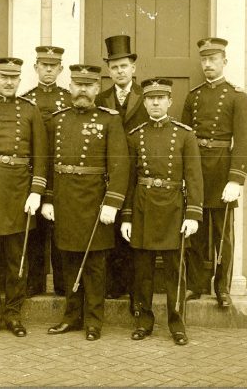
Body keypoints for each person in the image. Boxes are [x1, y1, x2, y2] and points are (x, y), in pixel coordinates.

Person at [42, 64, 129, 341]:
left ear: (96, 89)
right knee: (68, 260)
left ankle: (94, 321)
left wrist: (112, 203)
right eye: (77, 84)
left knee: (95, 264)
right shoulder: (57, 120)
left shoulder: (110, 120)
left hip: (95, 201)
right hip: (66, 200)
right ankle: (71, 317)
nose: (82, 90)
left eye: (89, 85)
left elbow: (120, 165)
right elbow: (48, 163)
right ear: (70, 88)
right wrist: (48, 199)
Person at [0, 57, 48, 337]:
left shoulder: (30, 110)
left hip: (18, 191)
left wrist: (36, 191)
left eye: (14, 77)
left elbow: (40, 154)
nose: (9, 81)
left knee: (18, 256)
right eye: (4, 76)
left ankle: (13, 313)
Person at [121, 78, 203, 346]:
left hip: (174, 209)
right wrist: (127, 216)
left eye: (161, 98)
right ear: (144, 102)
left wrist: (193, 214)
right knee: (142, 269)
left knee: (174, 270)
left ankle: (176, 323)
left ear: (169, 101)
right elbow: (129, 181)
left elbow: (194, 178)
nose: (155, 103)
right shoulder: (135, 136)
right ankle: (144, 321)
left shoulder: (185, 135)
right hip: (144, 206)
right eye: (150, 98)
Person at [183, 37, 247, 308]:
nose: (208, 64)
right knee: (196, 231)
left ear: (224, 61)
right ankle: (196, 285)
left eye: (213, 59)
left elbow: (245, 140)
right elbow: (185, 139)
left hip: (223, 170)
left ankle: (222, 288)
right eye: (204, 59)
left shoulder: (237, 96)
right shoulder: (194, 96)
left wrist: (236, 179)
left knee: (223, 235)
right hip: (197, 169)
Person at [95, 35, 148, 303]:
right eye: (114, 67)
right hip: (111, 173)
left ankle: (133, 288)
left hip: (140, 173)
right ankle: (112, 286)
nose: (119, 71)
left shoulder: (146, 98)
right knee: (110, 228)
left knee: (135, 230)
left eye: (124, 66)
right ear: (108, 70)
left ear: (133, 68)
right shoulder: (101, 98)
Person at [22, 46, 71, 297]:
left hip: (61, 171)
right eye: (44, 65)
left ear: (60, 69)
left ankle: (62, 283)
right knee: (36, 228)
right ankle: (35, 282)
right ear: (36, 68)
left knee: (60, 228)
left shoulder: (69, 99)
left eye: (54, 66)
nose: (49, 70)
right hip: (34, 170)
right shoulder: (27, 100)